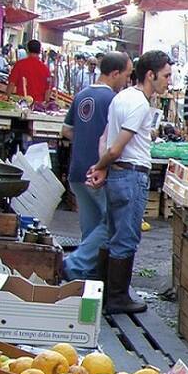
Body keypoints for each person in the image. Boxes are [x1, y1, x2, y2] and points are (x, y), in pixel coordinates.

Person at [86, 50, 171, 314]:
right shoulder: (139, 104)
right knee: (125, 237)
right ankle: (117, 298)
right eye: (166, 76)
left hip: (118, 174)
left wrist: (103, 167)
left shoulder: (121, 97)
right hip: (131, 175)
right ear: (150, 75)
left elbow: (105, 139)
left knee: (112, 234)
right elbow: (115, 148)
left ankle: (103, 293)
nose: (168, 81)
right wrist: (101, 165)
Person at [60, 51, 132, 281]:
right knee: (112, 223)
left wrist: (84, 139)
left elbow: (66, 130)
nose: (127, 81)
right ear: (115, 73)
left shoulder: (81, 95)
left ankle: (85, 275)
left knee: (91, 226)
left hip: (77, 169)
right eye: (127, 75)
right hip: (98, 172)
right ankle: (74, 264)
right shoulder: (113, 100)